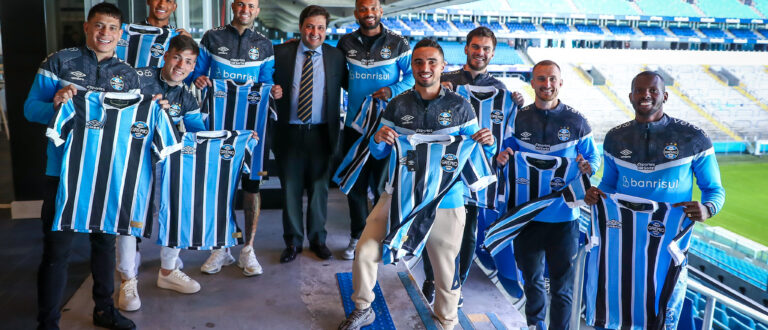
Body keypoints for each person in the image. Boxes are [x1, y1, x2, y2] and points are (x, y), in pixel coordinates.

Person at [338, 39, 496, 330]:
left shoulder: (460, 107)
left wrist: (488, 142)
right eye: (419, 62)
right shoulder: (398, 105)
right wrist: (377, 139)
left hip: (445, 200)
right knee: (365, 250)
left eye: (431, 62)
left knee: (445, 271)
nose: (425, 68)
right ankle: (363, 308)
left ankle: (446, 323)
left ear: (442, 66)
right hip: (398, 195)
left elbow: (477, 152)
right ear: (411, 67)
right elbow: (378, 153)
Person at [24, 3, 139, 329]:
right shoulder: (60, 61)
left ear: (120, 33)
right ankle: (48, 322)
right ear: (87, 28)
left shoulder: (127, 75)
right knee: (57, 250)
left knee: (104, 244)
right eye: (99, 26)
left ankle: (103, 309)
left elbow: (132, 128)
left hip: (106, 173)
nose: (105, 33)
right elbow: (31, 109)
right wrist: (56, 102)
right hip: (63, 172)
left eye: (112, 28)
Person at [584, 71, 725, 329]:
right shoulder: (616, 138)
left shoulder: (693, 139)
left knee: (663, 310)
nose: (645, 95)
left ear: (665, 96)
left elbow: (714, 189)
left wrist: (707, 209)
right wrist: (596, 194)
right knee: (618, 305)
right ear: (630, 96)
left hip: (666, 246)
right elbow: (608, 185)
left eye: (652, 90)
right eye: (639, 90)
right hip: (622, 242)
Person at [420, 26, 525, 305]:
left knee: (468, 230)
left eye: (486, 49)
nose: (480, 53)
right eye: (475, 47)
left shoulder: (502, 91)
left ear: (492, 53)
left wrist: (503, 153)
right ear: (466, 48)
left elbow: (510, 139)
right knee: (435, 224)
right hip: (444, 166)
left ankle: (456, 285)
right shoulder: (446, 80)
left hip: (479, 173)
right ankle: (432, 279)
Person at [495, 60, 599, 330]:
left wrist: (589, 167)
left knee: (562, 286)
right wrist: (503, 157)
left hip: (564, 219)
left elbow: (592, 160)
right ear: (532, 82)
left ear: (560, 83)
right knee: (532, 279)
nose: (547, 84)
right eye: (541, 79)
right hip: (526, 216)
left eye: (552, 79)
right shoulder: (518, 118)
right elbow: (503, 153)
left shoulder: (577, 121)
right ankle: (535, 325)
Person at [189, 0, 282, 276]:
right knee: (220, 187)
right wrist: (199, 79)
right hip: (218, 124)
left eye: (251, 5)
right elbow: (197, 72)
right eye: (241, 4)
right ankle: (222, 247)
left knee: (252, 187)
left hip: (252, 127)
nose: (245, 9)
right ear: (232, 6)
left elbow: (266, 80)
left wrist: (273, 91)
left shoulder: (264, 44)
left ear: (257, 11)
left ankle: (248, 249)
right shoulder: (212, 37)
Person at [115, 35, 204, 312]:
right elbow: (114, 105)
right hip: (133, 160)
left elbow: (196, 129)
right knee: (129, 218)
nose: (181, 65)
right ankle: (127, 280)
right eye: (177, 57)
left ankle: (167, 272)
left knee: (176, 211)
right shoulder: (138, 77)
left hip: (168, 163)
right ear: (166, 55)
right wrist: (145, 105)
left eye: (188, 61)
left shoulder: (187, 94)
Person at [335, 0, 414, 260]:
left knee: (383, 186)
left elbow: (412, 76)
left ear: (380, 11)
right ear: (356, 13)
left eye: (373, 8)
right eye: (363, 9)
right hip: (356, 126)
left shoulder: (398, 42)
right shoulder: (346, 43)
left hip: (389, 127)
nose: (368, 14)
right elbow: (340, 75)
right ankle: (357, 236)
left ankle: (382, 238)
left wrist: (393, 90)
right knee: (355, 184)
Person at [272, 5, 348, 263]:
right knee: (290, 189)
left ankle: (317, 240)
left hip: (321, 133)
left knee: (319, 189)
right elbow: (262, 79)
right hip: (288, 132)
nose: (315, 32)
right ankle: (292, 242)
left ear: (326, 30)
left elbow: (353, 84)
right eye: (310, 26)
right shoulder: (280, 52)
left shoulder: (336, 56)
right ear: (301, 27)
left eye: (320, 28)